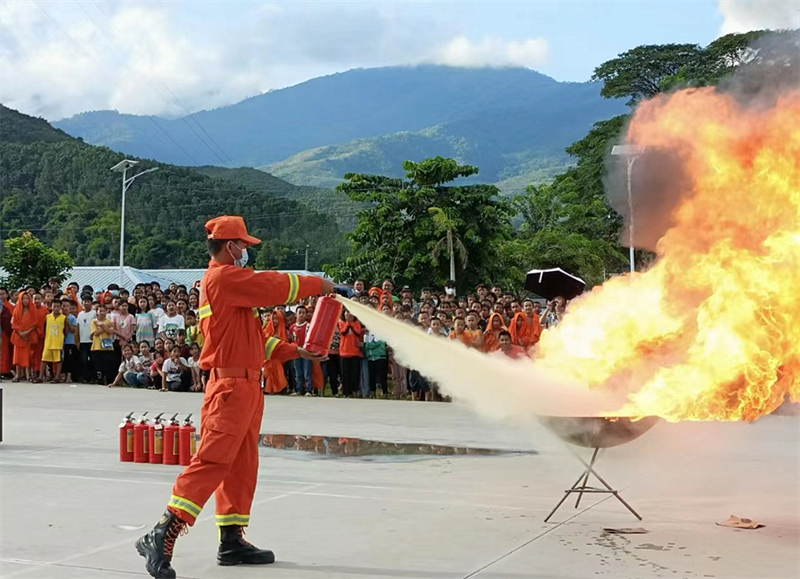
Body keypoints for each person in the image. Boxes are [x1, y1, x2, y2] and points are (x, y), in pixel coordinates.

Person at [136, 215, 331, 579]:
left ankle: (231, 539)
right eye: (244, 246)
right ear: (231, 247)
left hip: (245, 385)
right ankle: (162, 531)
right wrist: (320, 284)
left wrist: (296, 352)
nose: (247, 252)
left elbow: (255, 340)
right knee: (212, 461)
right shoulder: (225, 277)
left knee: (242, 465)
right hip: (229, 387)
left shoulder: (228, 285)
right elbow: (274, 285)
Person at [11, 293, 38, 382]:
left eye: (27, 298)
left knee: (28, 356)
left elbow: (35, 323)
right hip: (18, 336)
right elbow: (14, 323)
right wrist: (21, 333)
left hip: (28, 336)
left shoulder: (32, 309)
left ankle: (28, 375)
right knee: (17, 357)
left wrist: (26, 333)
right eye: (23, 299)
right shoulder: (16, 310)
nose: (25, 301)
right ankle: (18, 375)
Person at [262, 310, 288, 395]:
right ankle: (268, 388)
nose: (274, 321)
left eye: (277, 319)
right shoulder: (266, 329)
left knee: (277, 368)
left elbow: (286, 344)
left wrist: (279, 340)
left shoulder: (283, 331)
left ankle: (278, 388)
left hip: (277, 357)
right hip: (267, 357)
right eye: (273, 319)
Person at [338, 310, 362, 397]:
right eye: (346, 312)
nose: (348, 314)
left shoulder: (357, 323)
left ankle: (354, 390)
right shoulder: (341, 323)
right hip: (344, 352)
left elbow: (357, 332)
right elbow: (343, 332)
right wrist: (348, 322)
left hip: (354, 352)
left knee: (354, 373)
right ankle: (346, 392)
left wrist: (351, 323)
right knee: (345, 374)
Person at [40, 299, 66, 383]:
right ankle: (40, 377)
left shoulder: (64, 318)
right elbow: (44, 328)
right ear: (51, 307)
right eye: (54, 306)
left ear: (61, 307)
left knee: (58, 360)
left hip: (58, 343)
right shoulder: (47, 317)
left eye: (58, 306)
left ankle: (57, 377)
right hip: (48, 342)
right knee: (44, 359)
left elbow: (65, 330)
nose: (56, 308)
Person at [90, 305, 117, 385]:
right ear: (97, 312)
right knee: (98, 365)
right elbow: (95, 333)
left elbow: (111, 332)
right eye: (100, 311)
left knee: (108, 365)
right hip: (97, 347)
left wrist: (101, 325)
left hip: (107, 347)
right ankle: (100, 380)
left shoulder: (109, 321)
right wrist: (104, 326)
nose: (102, 313)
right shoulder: (93, 321)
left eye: (104, 311)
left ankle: (108, 380)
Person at [289, 305, 311, 396]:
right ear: (296, 314)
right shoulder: (292, 327)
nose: (301, 315)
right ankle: (299, 389)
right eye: (300, 313)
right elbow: (291, 338)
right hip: (296, 351)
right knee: (298, 371)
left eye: (303, 313)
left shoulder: (308, 326)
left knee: (307, 371)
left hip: (306, 351)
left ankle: (308, 389)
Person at [362, 326, 388, 398]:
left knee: (382, 376)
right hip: (370, 358)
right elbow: (365, 347)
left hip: (380, 357)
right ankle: (373, 392)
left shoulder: (380, 333)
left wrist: (366, 345)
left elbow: (377, 343)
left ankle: (384, 392)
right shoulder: (366, 335)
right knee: (371, 376)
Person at [77, 296, 96, 383]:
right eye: (85, 301)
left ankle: (93, 377)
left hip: (92, 341)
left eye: (88, 301)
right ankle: (85, 377)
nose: (86, 303)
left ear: (91, 303)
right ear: (82, 302)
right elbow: (77, 328)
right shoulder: (80, 314)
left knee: (92, 360)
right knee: (83, 360)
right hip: (83, 341)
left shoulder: (94, 313)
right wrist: (77, 340)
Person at [61, 299, 80, 383]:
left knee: (69, 359)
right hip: (60, 342)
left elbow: (73, 330)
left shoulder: (72, 318)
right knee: (62, 359)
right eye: (64, 306)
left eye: (67, 306)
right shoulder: (59, 317)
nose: (65, 308)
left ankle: (69, 376)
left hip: (70, 342)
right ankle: (62, 375)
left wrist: (68, 323)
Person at [0, 287, 13, 378]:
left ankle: (5, 370)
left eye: (3, 294)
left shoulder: (11, 306)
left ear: (7, 295)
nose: (1, 296)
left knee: (5, 352)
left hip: (5, 332)